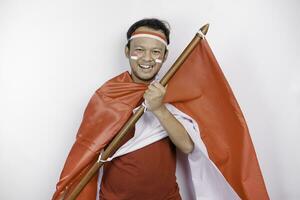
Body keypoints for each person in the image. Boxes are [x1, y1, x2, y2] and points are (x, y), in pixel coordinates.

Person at [53, 18, 249, 200]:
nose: (146, 58)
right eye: (139, 49)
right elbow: (85, 152)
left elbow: (188, 146)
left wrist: (159, 109)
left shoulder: (173, 93)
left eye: (156, 52)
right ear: (127, 51)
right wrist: (69, 189)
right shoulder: (108, 95)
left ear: (165, 56)